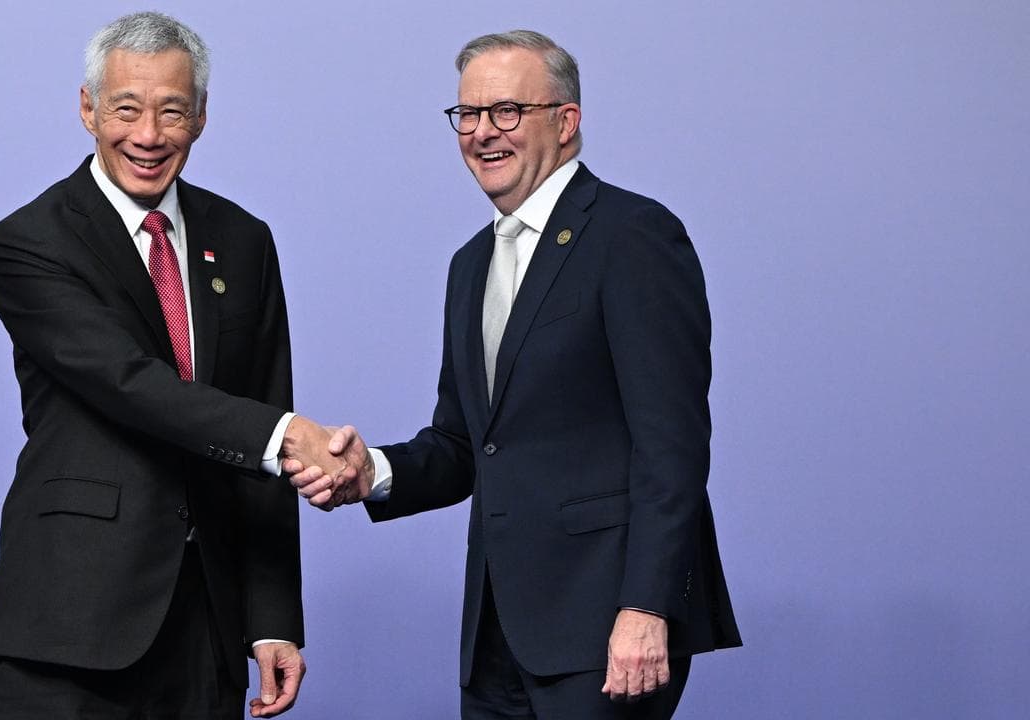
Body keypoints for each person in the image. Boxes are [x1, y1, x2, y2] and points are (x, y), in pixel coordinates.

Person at [287, 30, 742, 719]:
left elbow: (671, 449)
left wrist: (646, 607)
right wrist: (369, 472)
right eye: (467, 115)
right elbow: (465, 445)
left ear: (566, 122)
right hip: (497, 636)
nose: (481, 133)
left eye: (506, 112)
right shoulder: (470, 264)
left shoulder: (632, 235)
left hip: (605, 629)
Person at [0, 12, 354, 720]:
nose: (148, 136)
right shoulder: (28, 242)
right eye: (126, 108)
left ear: (202, 118)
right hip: (71, 628)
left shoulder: (243, 240)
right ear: (88, 108)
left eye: (172, 112)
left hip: (205, 627)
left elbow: (263, 410)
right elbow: (132, 385)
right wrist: (288, 437)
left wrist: (272, 616)